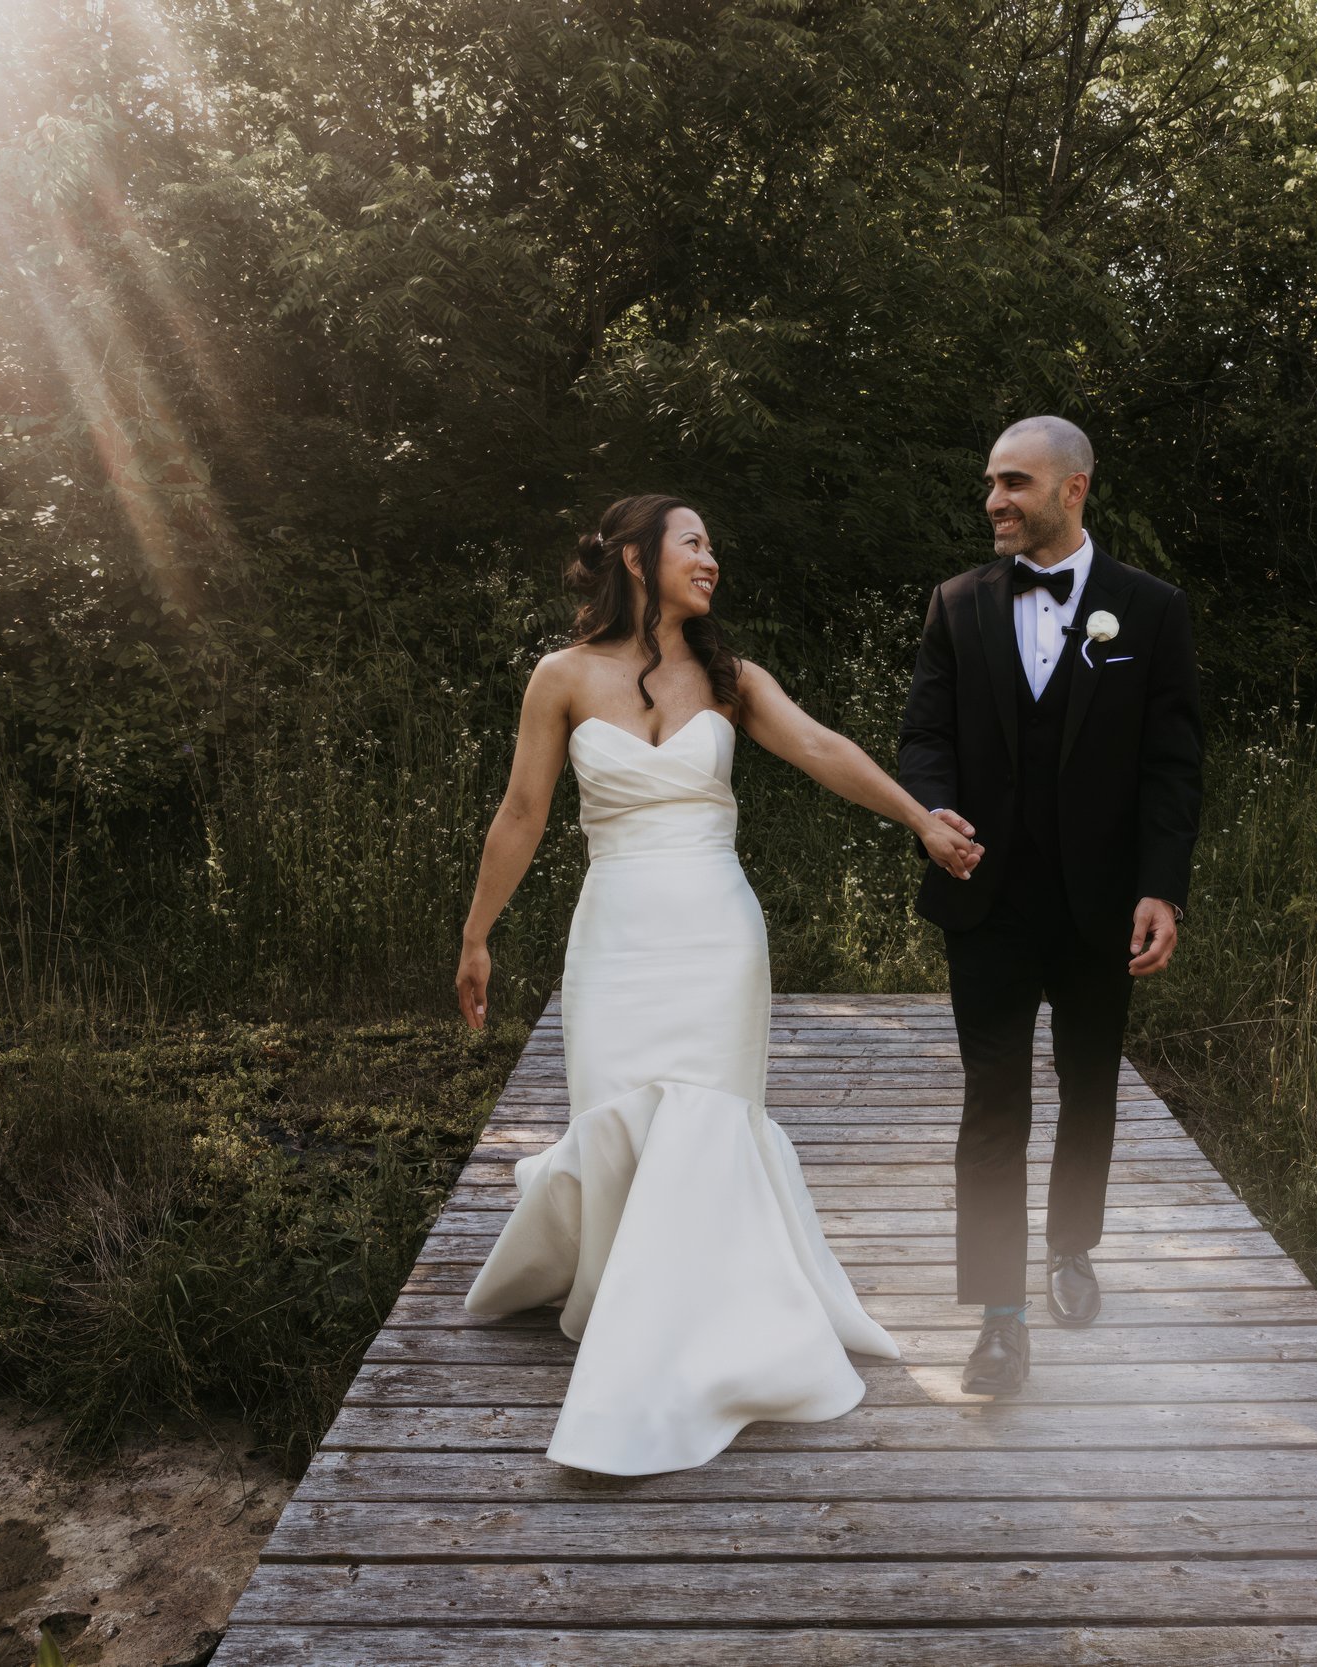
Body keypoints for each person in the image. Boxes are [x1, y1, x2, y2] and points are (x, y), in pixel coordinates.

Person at [452, 492, 984, 1475]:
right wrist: (477, 934)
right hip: (614, 935)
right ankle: (625, 1291)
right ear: (634, 554)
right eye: (694, 542)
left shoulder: (731, 677)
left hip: (715, 933)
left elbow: (823, 748)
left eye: (712, 546)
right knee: (615, 1112)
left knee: (703, 1121)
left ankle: (685, 1339)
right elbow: (522, 811)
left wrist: (920, 817)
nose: (712, 559)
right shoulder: (560, 677)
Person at [897, 416, 1205, 1396]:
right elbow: (925, 735)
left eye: (1013, 482)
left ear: (1073, 489)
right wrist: (930, 808)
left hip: (1100, 902)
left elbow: (1171, 765)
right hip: (982, 897)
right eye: (989, 480)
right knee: (993, 1104)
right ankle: (997, 1317)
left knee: (1088, 1086)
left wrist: (1161, 884)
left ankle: (1072, 1245)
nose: (993, 499)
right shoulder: (955, 604)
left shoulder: (1148, 611)